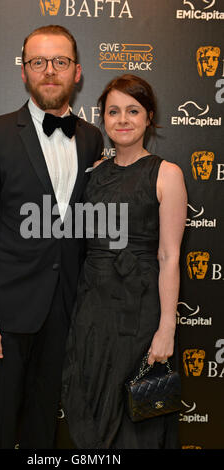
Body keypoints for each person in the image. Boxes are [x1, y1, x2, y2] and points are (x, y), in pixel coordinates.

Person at [0, 24, 103, 449]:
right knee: (0, 427)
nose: (49, 71)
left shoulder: (92, 138)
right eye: (37, 62)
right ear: (23, 72)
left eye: (60, 61)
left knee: (45, 425)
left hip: (64, 313)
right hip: (6, 317)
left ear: (77, 72)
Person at [62, 74, 187, 449]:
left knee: (135, 424)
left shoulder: (167, 174)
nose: (123, 119)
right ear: (103, 120)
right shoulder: (94, 174)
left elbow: (169, 256)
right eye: (113, 112)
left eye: (133, 110)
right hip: (93, 310)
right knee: (90, 411)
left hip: (139, 311)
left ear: (149, 117)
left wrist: (166, 329)